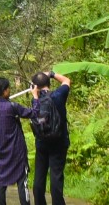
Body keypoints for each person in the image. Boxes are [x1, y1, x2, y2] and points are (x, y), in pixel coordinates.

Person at [26, 69, 72, 205]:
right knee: (56, 178)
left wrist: (34, 95)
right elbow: (67, 81)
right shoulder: (58, 95)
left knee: (39, 179)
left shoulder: (36, 100)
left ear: (35, 87)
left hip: (42, 143)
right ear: (49, 83)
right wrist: (51, 73)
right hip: (59, 142)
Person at [0, 76, 31, 205]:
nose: (10, 90)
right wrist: (36, 97)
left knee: (1, 184)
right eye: (8, 88)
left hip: (1, 151)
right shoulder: (12, 107)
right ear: (5, 91)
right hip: (17, 152)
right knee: (22, 183)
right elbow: (31, 113)